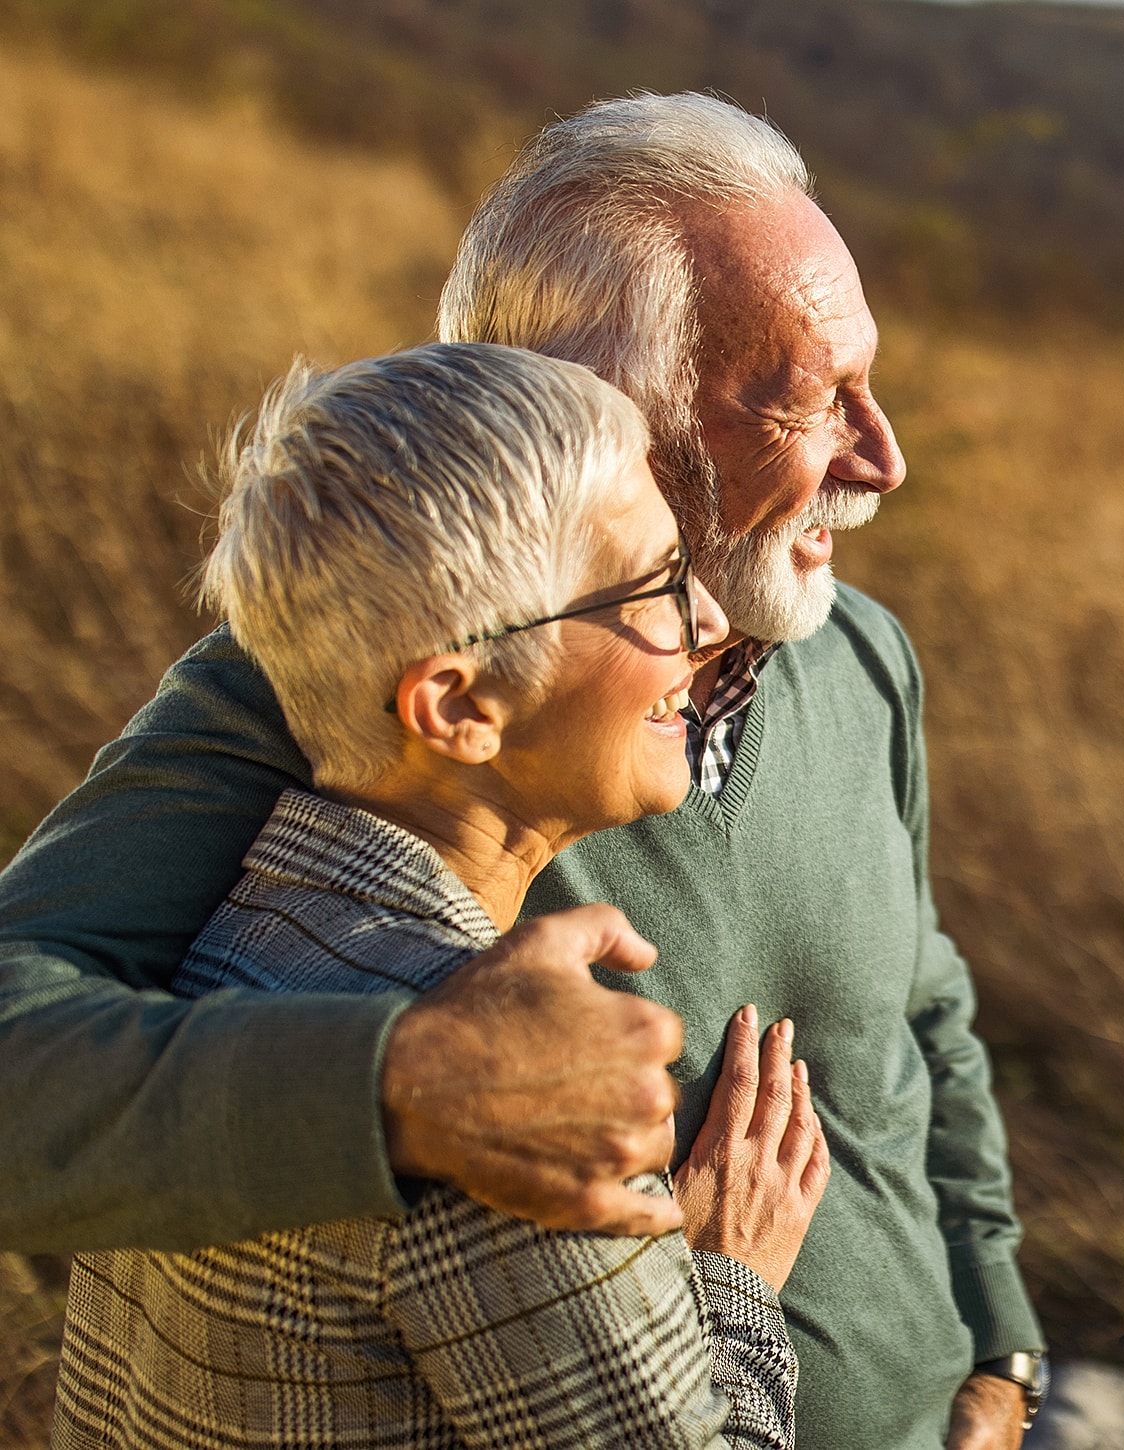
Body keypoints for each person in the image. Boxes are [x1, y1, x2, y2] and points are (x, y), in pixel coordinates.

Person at [0, 93, 1045, 1446]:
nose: (885, 459)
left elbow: (924, 1010)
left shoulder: (864, 653)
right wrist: (403, 1083)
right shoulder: (344, 681)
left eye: (870, 381)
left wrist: (1002, 1350)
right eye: (806, 399)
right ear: (596, 412)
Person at [54, 343, 827, 1449]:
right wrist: (728, 1280)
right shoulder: (512, 1112)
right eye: (655, 584)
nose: (706, 623)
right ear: (459, 706)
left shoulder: (198, 950)